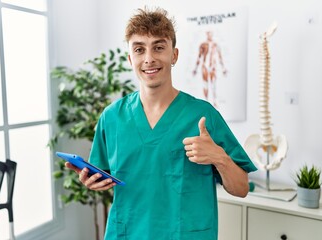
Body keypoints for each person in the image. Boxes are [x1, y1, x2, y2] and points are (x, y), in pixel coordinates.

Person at [66, 7, 257, 240]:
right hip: (127, 233)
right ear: (130, 59)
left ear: (174, 55)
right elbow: (103, 174)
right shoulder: (112, 117)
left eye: (158, 47)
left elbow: (242, 189)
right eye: (139, 49)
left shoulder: (202, 116)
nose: (149, 58)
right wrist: (91, 180)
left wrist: (219, 157)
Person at [192, 30, 227, 108]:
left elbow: (220, 57)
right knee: (205, 84)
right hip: (205, 66)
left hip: (213, 66)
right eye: (208, 34)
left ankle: (214, 101)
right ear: (207, 35)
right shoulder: (203, 45)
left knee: (213, 84)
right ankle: (207, 102)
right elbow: (199, 57)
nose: (210, 35)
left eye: (211, 34)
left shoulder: (215, 45)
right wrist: (195, 68)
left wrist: (223, 68)